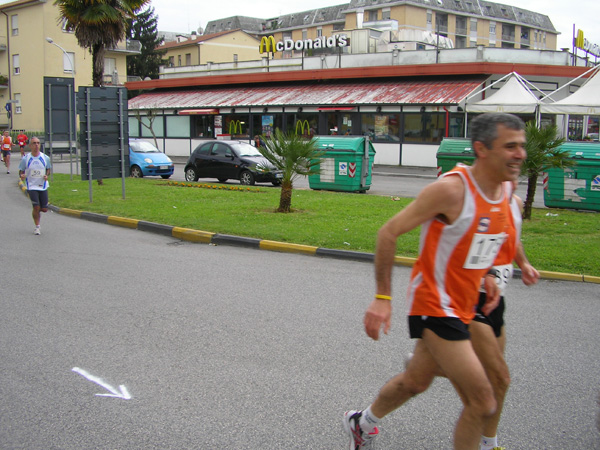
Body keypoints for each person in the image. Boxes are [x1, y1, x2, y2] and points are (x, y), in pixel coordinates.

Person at [343, 113, 527, 450]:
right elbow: (389, 232)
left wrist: (488, 275)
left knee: (416, 381)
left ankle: (362, 421)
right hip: (435, 303)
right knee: (483, 399)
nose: (520, 154)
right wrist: (382, 297)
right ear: (481, 149)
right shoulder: (451, 191)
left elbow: (479, 240)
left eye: (522, 146)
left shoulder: (504, 191)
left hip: (466, 303)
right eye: (510, 146)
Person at [468, 186, 540, 450]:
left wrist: (524, 263)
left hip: (498, 299)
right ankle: (490, 444)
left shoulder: (515, 202)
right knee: (499, 378)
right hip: (473, 297)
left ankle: (432, 363)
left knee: (493, 379)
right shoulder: (477, 199)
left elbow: (513, 239)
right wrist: (484, 272)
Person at [18, 137, 51, 235]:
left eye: (38, 143)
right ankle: (37, 226)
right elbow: (21, 171)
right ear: (30, 146)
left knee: (44, 209)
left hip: (42, 186)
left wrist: (46, 175)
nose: (36, 145)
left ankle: (37, 211)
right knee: (36, 207)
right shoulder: (26, 159)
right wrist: (22, 175)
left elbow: (48, 169)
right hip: (31, 186)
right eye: (34, 143)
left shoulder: (45, 157)